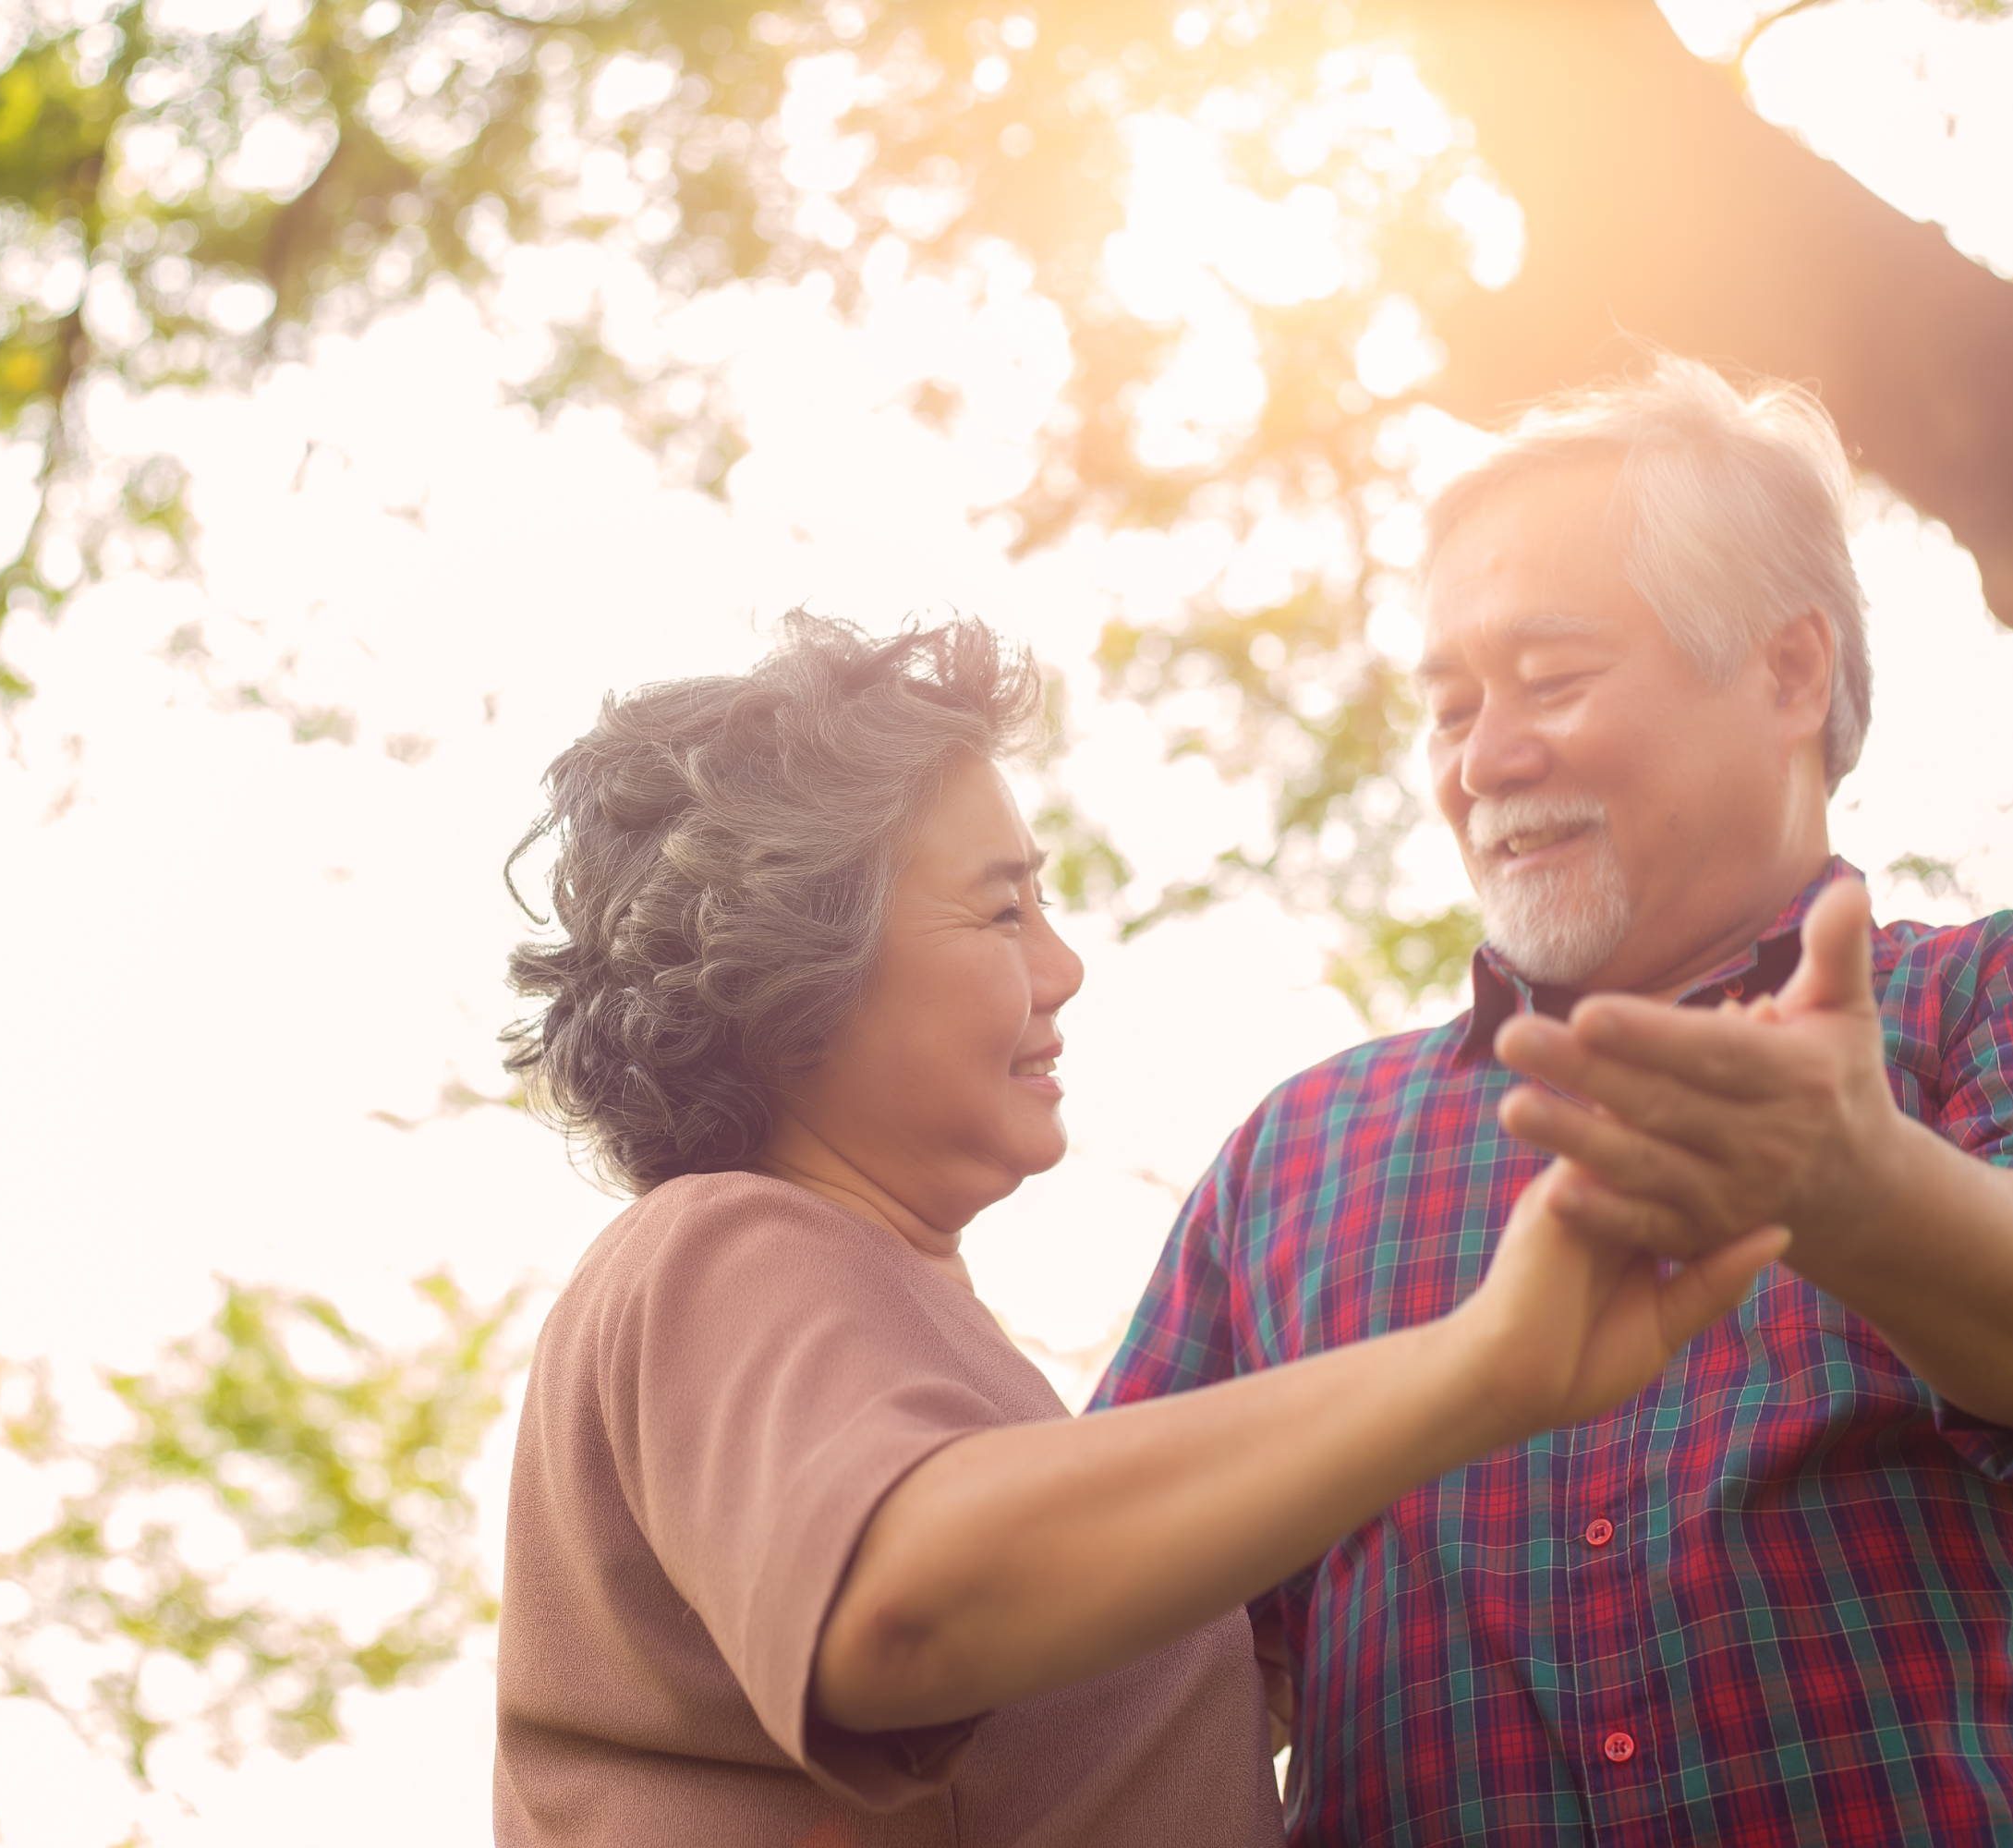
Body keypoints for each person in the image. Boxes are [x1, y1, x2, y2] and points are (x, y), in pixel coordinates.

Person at [1094, 356, 2013, 1845]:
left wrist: (1858, 1193)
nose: (1485, 759)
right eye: (1450, 707)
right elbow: (1112, 1633)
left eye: (1553, 678)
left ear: (1788, 672)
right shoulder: (1297, 1158)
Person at [487, 614, 1786, 1847]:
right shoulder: (724, 1246)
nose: (1062, 969)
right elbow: (902, 1607)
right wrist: (1485, 1365)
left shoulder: (905, 1325)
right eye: (1003, 910)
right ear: (798, 959)